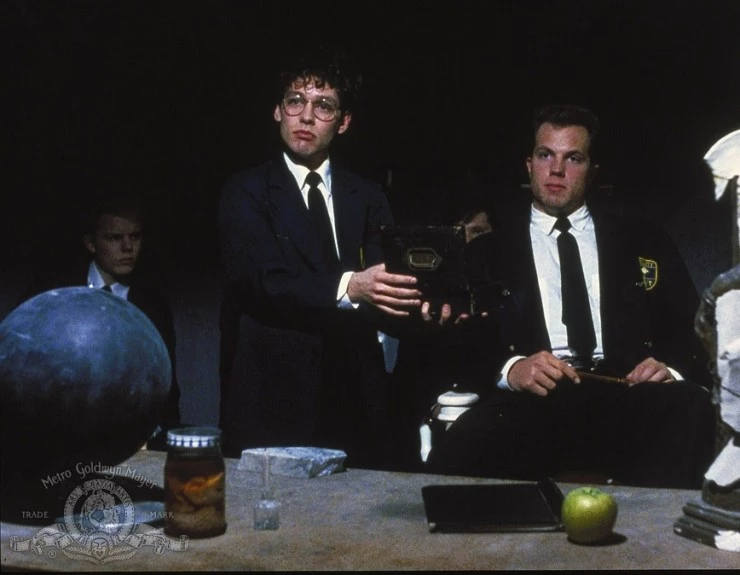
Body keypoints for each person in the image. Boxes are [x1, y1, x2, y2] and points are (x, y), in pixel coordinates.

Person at [427, 104, 716, 488]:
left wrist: (670, 369)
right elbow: (464, 340)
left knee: (692, 408)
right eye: (545, 155)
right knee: (461, 448)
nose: (557, 169)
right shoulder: (487, 251)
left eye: (573, 158)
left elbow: (691, 327)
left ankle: (644, 524)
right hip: (535, 401)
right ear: (529, 164)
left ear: (592, 171)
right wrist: (512, 368)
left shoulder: (644, 240)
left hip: (625, 393)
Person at [217, 48, 421, 467]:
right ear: (278, 111)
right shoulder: (245, 191)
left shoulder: (366, 195)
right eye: (296, 101)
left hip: (354, 399)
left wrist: (424, 302)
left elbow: (385, 283)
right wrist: (351, 286)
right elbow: (261, 281)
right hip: (274, 398)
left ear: (343, 122)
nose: (306, 117)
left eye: (323, 106)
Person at [23, 191, 181, 449]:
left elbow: (166, 384)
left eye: (135, 237)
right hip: (64, 434)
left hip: (134, 437)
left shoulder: (154, 303)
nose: (128, 248)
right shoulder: (57, 293)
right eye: (115, 238)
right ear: (91, 243)